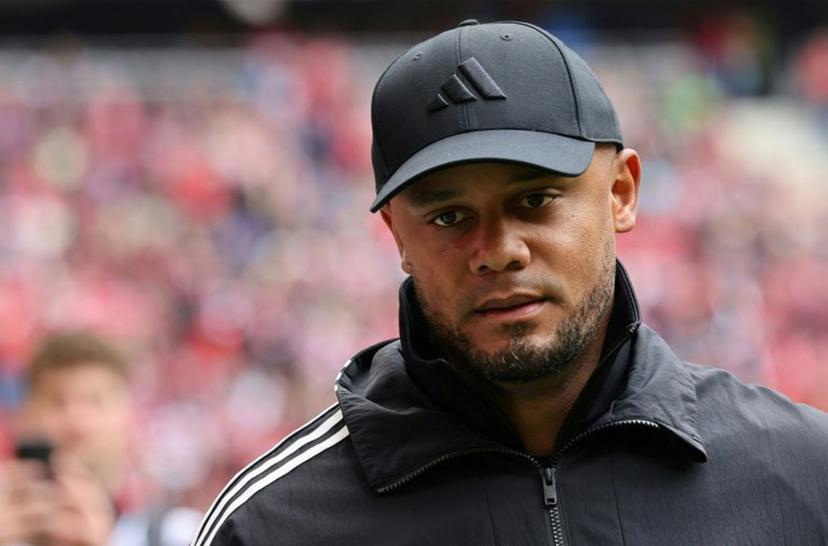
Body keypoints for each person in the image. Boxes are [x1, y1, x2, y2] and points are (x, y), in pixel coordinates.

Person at [192, 20, 828, 546]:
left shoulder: (803, 472)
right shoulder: (272, 525)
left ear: (622, 194)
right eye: (448, 216)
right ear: (397, 237)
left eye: (536, 200)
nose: (497, 252)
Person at [0, 331, 200, 546]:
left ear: (127, 417)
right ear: (25, 416)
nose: (77, 423)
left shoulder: (181, 534)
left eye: (95, 401)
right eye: (57, 402)